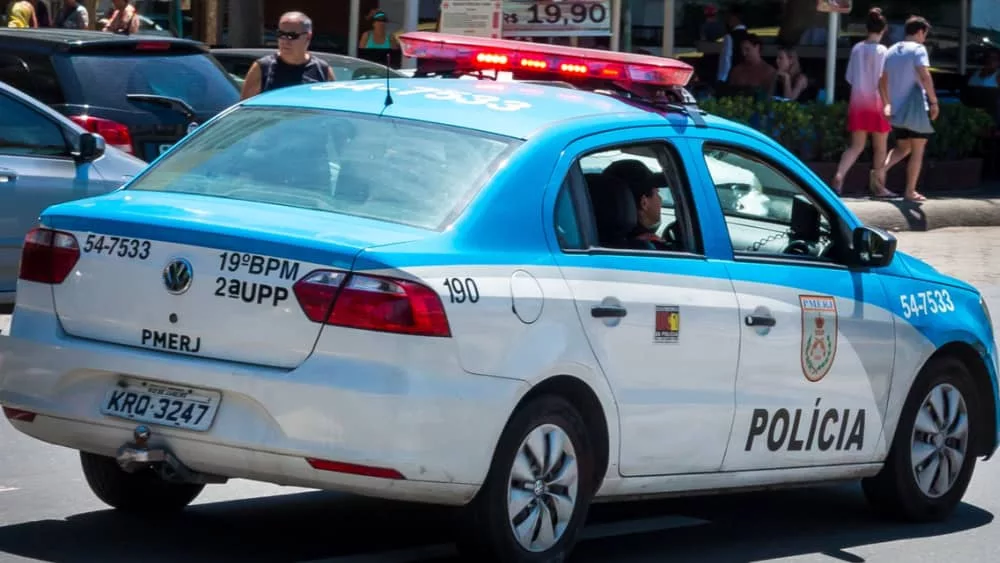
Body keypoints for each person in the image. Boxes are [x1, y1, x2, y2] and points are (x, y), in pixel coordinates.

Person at [831, 7, 894, 197]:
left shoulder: (857, 49)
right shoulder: (884, 51)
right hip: (879, 103)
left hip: (858, 102)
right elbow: (885, 79)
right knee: (880, 148)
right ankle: (879, 186)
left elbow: (850, 77)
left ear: (867, 28)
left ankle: (839, 176)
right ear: (884, 30)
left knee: (856, 146)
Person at [877, 15, 938, 202]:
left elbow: (882, 79)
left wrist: (887, 103)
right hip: (915, 109)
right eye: (925, 34)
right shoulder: (918, 49)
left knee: (903, 148)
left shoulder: (892, 50)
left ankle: (880, 170)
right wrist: (934, 101)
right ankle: (910, 191)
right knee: (918, 150)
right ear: (920, 32)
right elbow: (924, 75)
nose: (924, 38)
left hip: (897, 109)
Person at [240, 11, 335, 100]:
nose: (285, 41)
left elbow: (332, 104)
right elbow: (244, 107)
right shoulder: (263, 68)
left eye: (292, 35)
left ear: (308, 37)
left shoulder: (322, 69)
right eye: (281, 34)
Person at [716, 5, 748, 85]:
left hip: (732, 78)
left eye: (728, 17)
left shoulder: (729, 37)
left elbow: (726, 60)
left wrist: (721, 79)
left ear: (734, 18)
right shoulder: (749, 37)